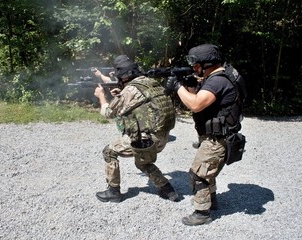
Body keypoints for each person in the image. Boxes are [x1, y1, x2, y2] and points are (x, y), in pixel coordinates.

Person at [165, 44, 241, 225]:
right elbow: (200, 101)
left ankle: (202, 213)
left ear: (208, 63)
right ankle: (211, 201)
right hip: (217, 136)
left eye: (196, 64)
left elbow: (196, 105)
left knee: (198, 174)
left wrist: (177, 87)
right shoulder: (222, 76)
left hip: (217, 139)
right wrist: (191, 87)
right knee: (208, 171)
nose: (194, 68)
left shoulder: (217, 81)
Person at [93, 55, 179, 203]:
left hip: (148, 140)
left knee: (109, 151)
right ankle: (168, 190)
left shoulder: (130, 90)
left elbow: (108, 113)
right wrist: (119, 96)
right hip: (162, 137)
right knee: (142, 161)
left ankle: (113, 191)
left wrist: (101, 97)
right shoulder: (150, 82)